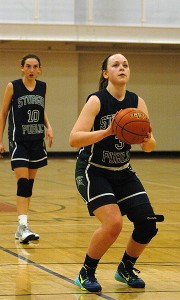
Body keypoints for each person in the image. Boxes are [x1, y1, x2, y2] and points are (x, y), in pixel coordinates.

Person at [69, 53, 164, 292]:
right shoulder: (96, 101)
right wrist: (108, 131)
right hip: (93, 170)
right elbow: (74, 139)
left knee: (147, 224)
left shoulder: (137, 102)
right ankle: (86, 272)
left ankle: (125, 268)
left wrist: (147, 138)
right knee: (113, 223)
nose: (122, 68)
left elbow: (150, 146)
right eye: (116, 65)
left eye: (125, 65)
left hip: (122, 171)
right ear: (105, 73)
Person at [0, 54, 54, 244]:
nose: (31, 70)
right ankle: (23, 226)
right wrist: (0, 140)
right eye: (28, 66)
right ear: (22, 68)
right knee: (22, 183)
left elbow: (41, 109)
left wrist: (49, 126)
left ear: (39, 69)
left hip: (37, 140)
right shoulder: (13, 86)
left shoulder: (42, 87)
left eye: (35, 67)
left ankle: (22, 227)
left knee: (29, 186)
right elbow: (4, 113)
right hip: (19, 141)